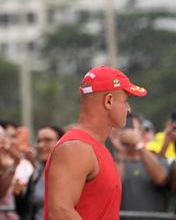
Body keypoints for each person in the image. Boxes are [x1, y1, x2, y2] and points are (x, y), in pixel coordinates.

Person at [44, 65, 147, 220]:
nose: (129, 109)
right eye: (126, 101)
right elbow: (60, 213)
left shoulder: (93, 146)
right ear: (109, 101)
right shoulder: (76, 147)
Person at [111, 112, 174, 214]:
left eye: (131, 127)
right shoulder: (113, 163)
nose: (127, 132)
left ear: (141, 131)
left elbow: (161, 178)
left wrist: (139, 145)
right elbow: (113, 189)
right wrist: (121, 152)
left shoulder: (158, 160)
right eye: (123, 128)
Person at [15, 126, 63, 220]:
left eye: (47, 140)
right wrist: (18, 193)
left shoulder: (72, 173)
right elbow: (23, 210)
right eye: (39, 141)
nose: (41, 145)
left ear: (61, 142)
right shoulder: (36, 175)